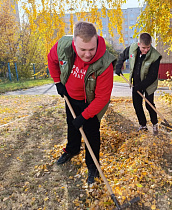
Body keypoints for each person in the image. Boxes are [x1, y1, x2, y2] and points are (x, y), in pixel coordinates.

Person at [48, 21, 116, 184]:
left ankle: (93, 165)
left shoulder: (105, 64)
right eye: (82, 50)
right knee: (71, 125)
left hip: (91, 102)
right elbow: (51, 60)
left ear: (96, 41)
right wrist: (58, 82)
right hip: (70, 97)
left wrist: (84, 116)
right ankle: (71, 150)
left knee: (91, 132)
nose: (87, 54)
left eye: (91, 49)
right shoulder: (63, 46)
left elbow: (102, 98)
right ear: (74, 44)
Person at [115, 32, 162, 135]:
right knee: (137, 104)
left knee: (149, 105)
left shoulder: (155, 56)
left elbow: (152, 76)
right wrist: (118, 67)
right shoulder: (132, 48)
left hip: (149, 84)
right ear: (138, 44)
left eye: (148, 47)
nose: (146, 50)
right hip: (136, 81)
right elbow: (122, 56)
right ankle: (143, 125)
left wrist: (139, 87)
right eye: (144, 47)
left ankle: (154, 124)